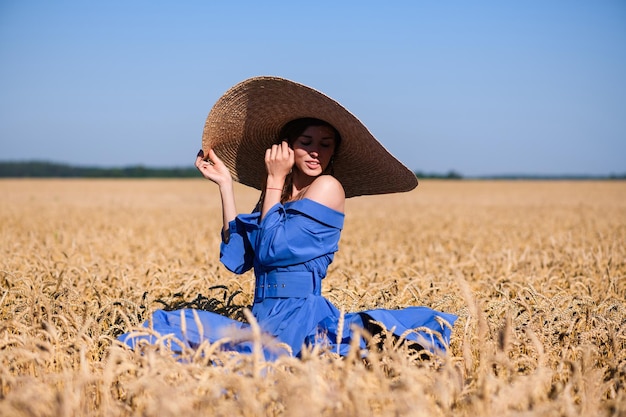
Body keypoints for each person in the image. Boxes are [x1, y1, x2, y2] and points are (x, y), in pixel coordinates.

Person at [118, 76, 457, 359]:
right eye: (306, 142)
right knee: (165, 329)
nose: (315, 152)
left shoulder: (328, 187)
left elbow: (273, 250)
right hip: (260, 318)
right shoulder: (274, 196)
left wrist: (274, 180)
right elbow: (239, 259)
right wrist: (225, 186)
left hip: (300, 320)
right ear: (287, 148)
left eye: (325, 144)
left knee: (241, 371)